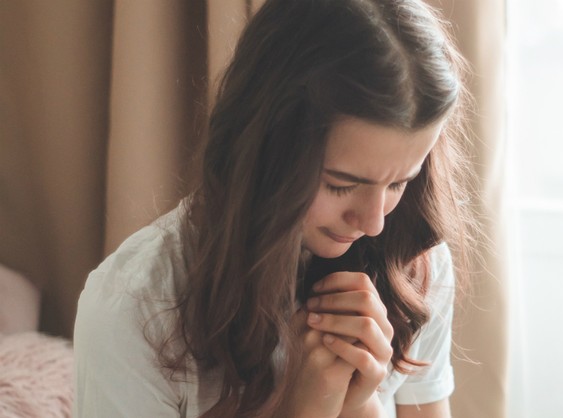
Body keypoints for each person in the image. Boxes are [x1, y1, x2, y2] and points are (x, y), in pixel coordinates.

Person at [73, 0, 477, 417]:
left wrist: (362, 408)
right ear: (264, 149)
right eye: (341, 185)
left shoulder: (410, 262)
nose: (374, 222)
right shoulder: (135, 308)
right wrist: (297, 409)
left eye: (398, 183)